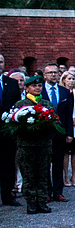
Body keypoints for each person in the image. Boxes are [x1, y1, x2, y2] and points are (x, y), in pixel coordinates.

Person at [13, 75, 58, 214]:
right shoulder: (20, 105)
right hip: (26, 145)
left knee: (43, 173)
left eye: (39, 86)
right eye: (34, 86)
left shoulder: (46, 104)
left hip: (43, 144)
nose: (37, 88)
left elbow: (54, 122)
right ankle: (31, 202)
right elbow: (15, 125)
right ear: (27, 88)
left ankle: (42, 201)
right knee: (29, 174)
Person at [41, 63, 73, 202]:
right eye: (50, 73)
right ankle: (47, 191)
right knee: (45, 163)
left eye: (55, 72)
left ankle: (58, 191)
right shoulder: (39, 91)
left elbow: (68, 114)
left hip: (60, 132)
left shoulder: (65, 92)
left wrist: (69, 133)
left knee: (58, 163)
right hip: (45, 133)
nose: (53, 75)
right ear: (44, 75)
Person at [1, 54, 22, 206]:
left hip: (7, 131)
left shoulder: (12, 83)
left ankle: (8, 195)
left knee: (8, 163)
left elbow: (16, 107)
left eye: (1, 61)